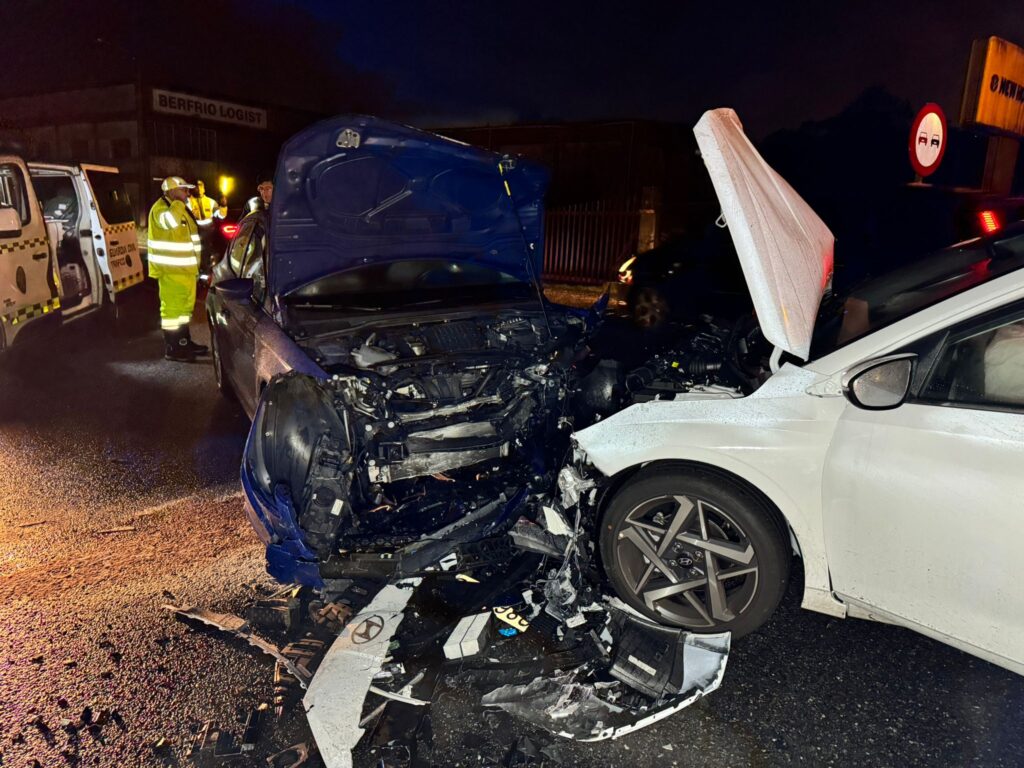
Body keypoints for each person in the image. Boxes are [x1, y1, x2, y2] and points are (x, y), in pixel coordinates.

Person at [147, 176, 209, 362]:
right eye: (183, 189)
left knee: (184, 311)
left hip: (186, 271)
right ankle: (173, 348)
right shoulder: (161, 208)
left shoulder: (178, 207)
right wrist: (178, 203)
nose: (186, 193)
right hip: (171, 271)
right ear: (172, 191)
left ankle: (184, 342)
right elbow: (171, 223)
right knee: (172, 312)